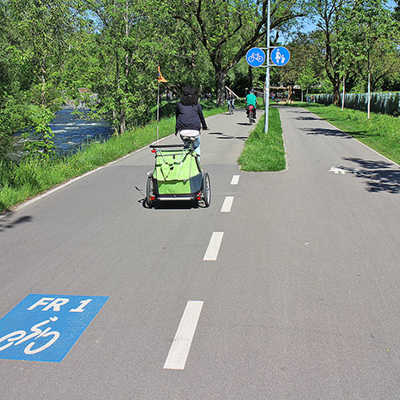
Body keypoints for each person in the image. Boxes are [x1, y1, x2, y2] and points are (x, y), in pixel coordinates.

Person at [175, 87, 208, 156]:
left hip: (183, 131)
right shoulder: (197, 105)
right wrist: (204, 126)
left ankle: (183, 162)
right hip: (195, 131)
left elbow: (177, 117)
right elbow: (201, 117)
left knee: (186, 146)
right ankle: (197, 164)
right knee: (196, 146)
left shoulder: (179, 105)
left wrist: (176, 129)